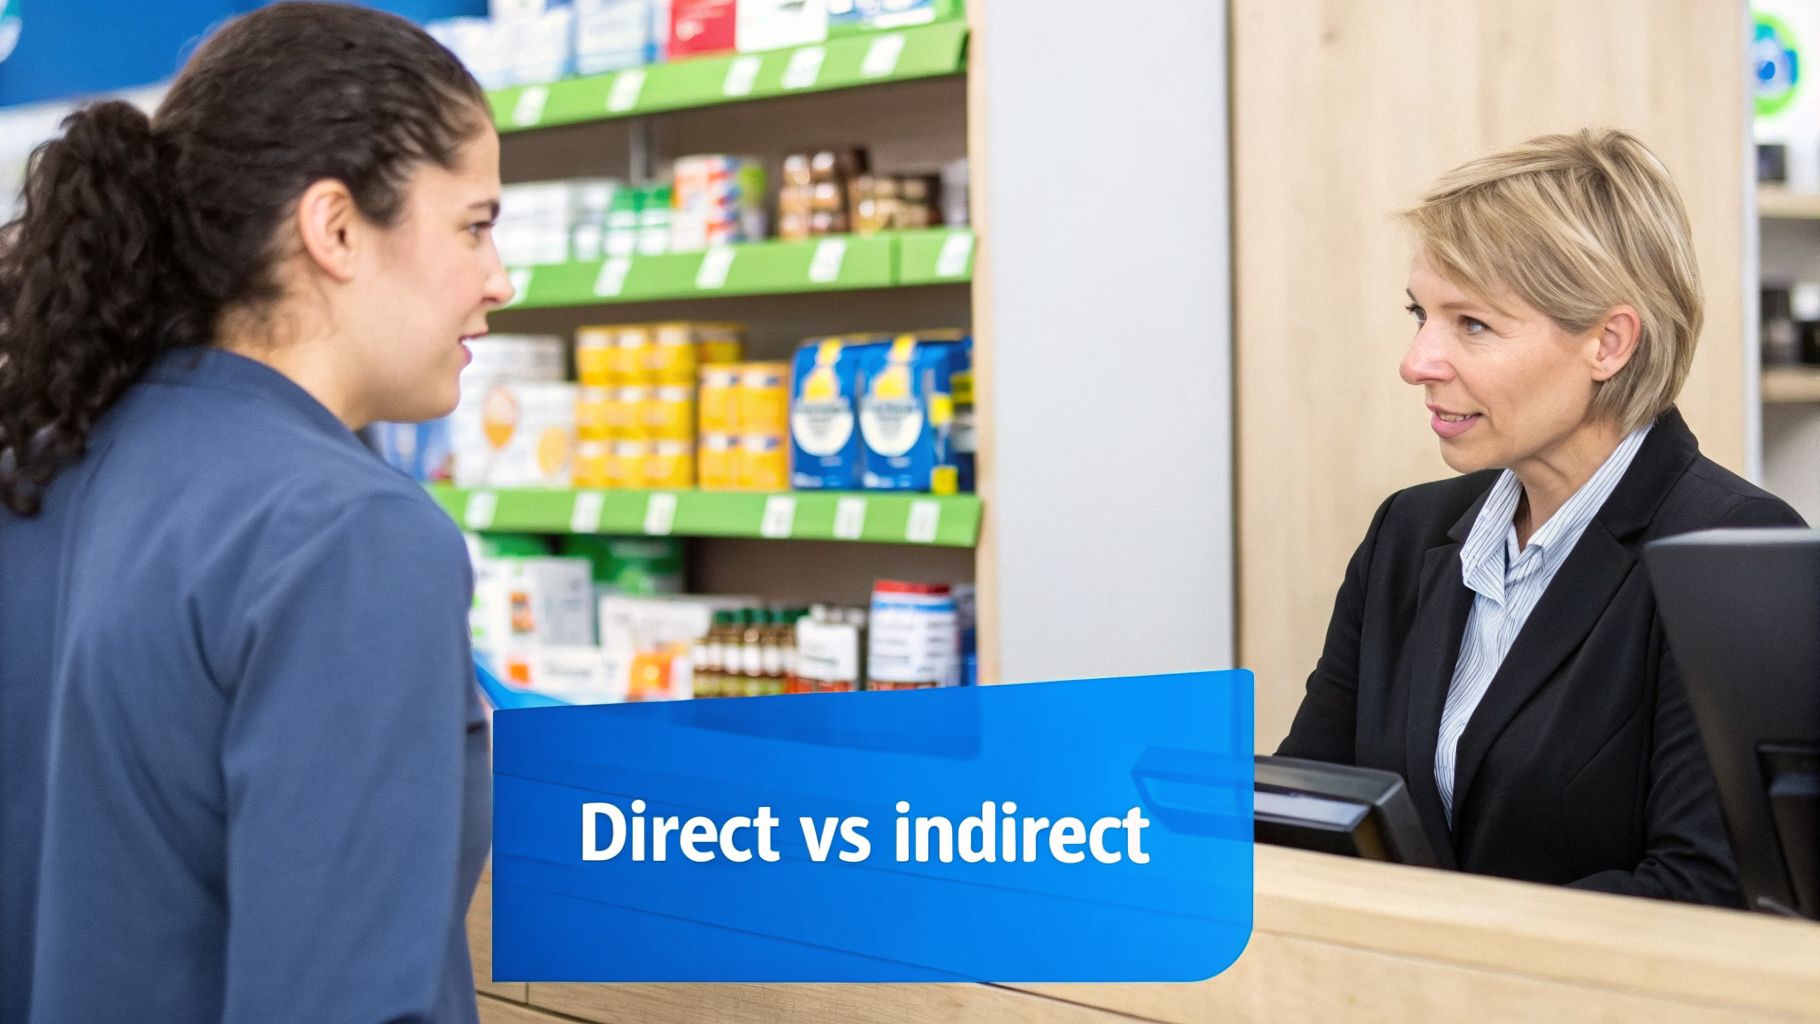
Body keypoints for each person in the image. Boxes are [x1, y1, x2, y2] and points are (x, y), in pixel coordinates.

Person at [0, 4, 511, 1021]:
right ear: (333, 227)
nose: (499, 281)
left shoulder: (41, 472)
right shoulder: (348, 535)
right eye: (474, 225)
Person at [1278, 129, 1804, 906]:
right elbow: (1308, 812)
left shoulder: (1736, 554)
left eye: (1472, 324)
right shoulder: (1407, 536)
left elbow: (1709, 889)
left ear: (1609, 342)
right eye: (1420, 313)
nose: (1417, 360)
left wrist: (1446, 950)